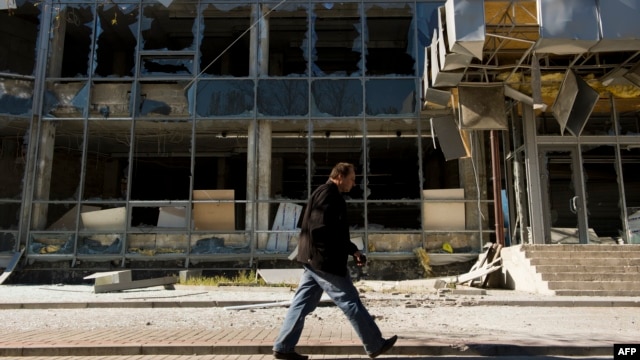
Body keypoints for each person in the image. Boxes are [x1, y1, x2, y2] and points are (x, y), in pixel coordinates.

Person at [272, 162, 397, 360]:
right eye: (352, 179)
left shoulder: (323, 193)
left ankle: (283, 347)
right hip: (324, 262)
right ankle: (374, 344)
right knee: (350, 301)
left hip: (313, 260)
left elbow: (328, 229)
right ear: (340, 176)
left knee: (301, 304)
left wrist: (352, 250)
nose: (354, 183)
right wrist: (328, 257)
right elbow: (319, 229)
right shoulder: (329, 195)